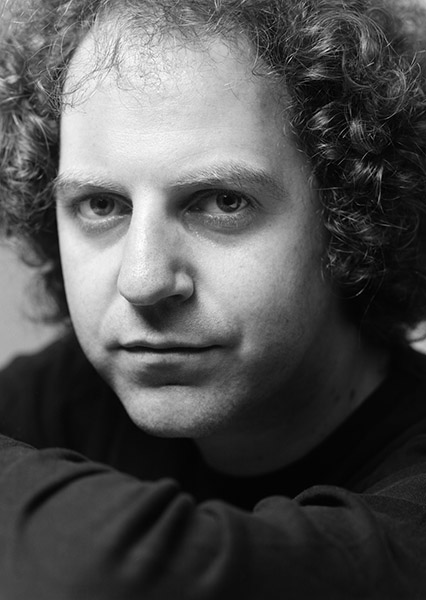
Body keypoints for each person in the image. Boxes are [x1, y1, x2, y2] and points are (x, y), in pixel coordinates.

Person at [0, 0, 426, 597]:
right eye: (101, 205)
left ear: (353, 219)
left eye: (223, 202)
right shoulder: (57, 401)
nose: (142, 281)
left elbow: (107, 573)